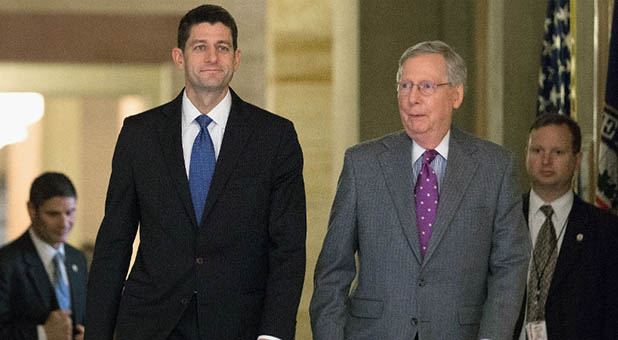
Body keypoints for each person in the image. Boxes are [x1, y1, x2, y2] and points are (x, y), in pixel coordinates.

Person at [84, 4, 306, 340]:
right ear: (179, 57)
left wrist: (273, 333)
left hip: (240, 325)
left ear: (237, 58)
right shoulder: (139, 135)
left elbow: (288, 247)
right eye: (200, 47)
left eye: (223, 47)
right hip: (150, 325)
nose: (212, 57)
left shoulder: (274, 137)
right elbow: (114, 242)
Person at [310, 40, 530, 340]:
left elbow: (510, 266)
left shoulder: (495, 167)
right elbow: (332, 271)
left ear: (456, 94)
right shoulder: (362, 164)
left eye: (425, 86)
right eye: (404, 86)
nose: (412, 98)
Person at [513, 113, 618, 340]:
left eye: (557, 152)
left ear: (577, 159)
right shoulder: (501, 220)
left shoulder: (605, 231)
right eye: (537, 150)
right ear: (526, 155)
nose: (546, 161)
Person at [0, 172, 87, 340]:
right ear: (32, 210)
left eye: (70, 212)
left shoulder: (78, 259)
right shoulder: (6, 262)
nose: (64, 223)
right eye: (53, 214)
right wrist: (42, 334)